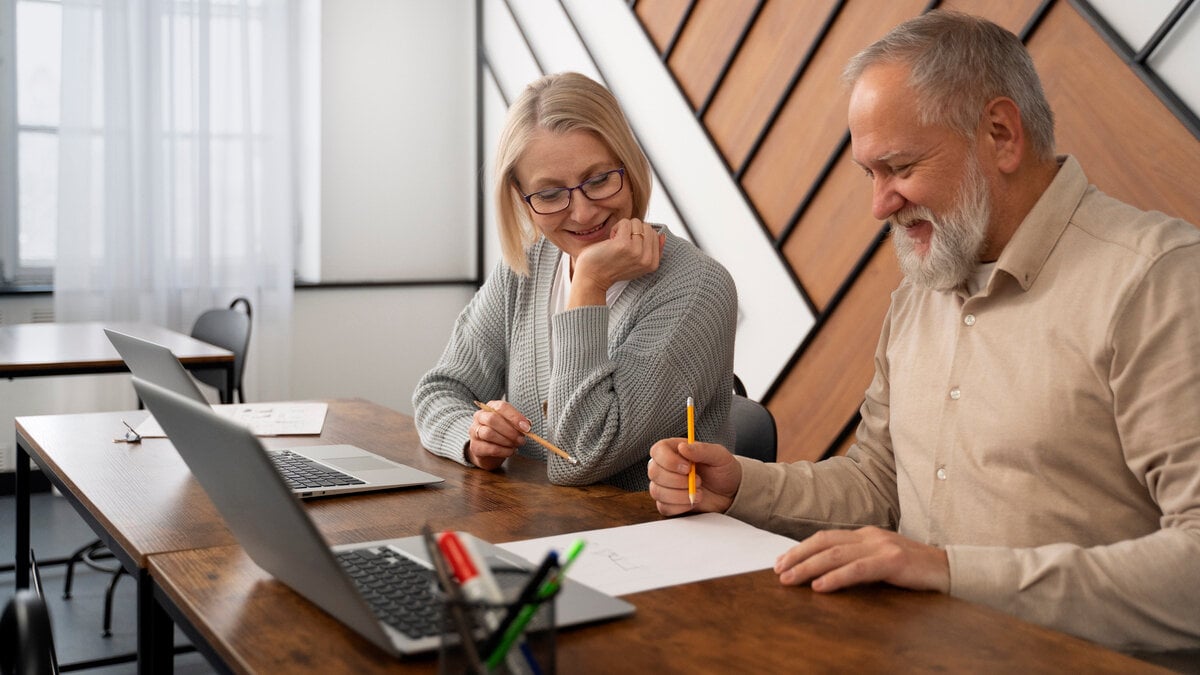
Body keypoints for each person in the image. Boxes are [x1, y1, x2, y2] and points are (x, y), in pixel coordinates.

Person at [648, 10, 1200, 654]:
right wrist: (742, 486)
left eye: (900, 167)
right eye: (868, 174)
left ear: (1000, 133)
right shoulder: (920, 292)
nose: (879, 204)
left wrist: (946, 572)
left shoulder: (1158, 281)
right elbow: (881, 486)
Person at [415, 72, 737, 491]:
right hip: (537, 527)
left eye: (600, 180)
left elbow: (580, 458)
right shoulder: (526, 269)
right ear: (520, 198)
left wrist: (589, 284)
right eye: (550, 195)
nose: (583, 213)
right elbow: (440, 389)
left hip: (649, 539)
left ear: (631, 165)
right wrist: (474, 437)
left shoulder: (696, 288)